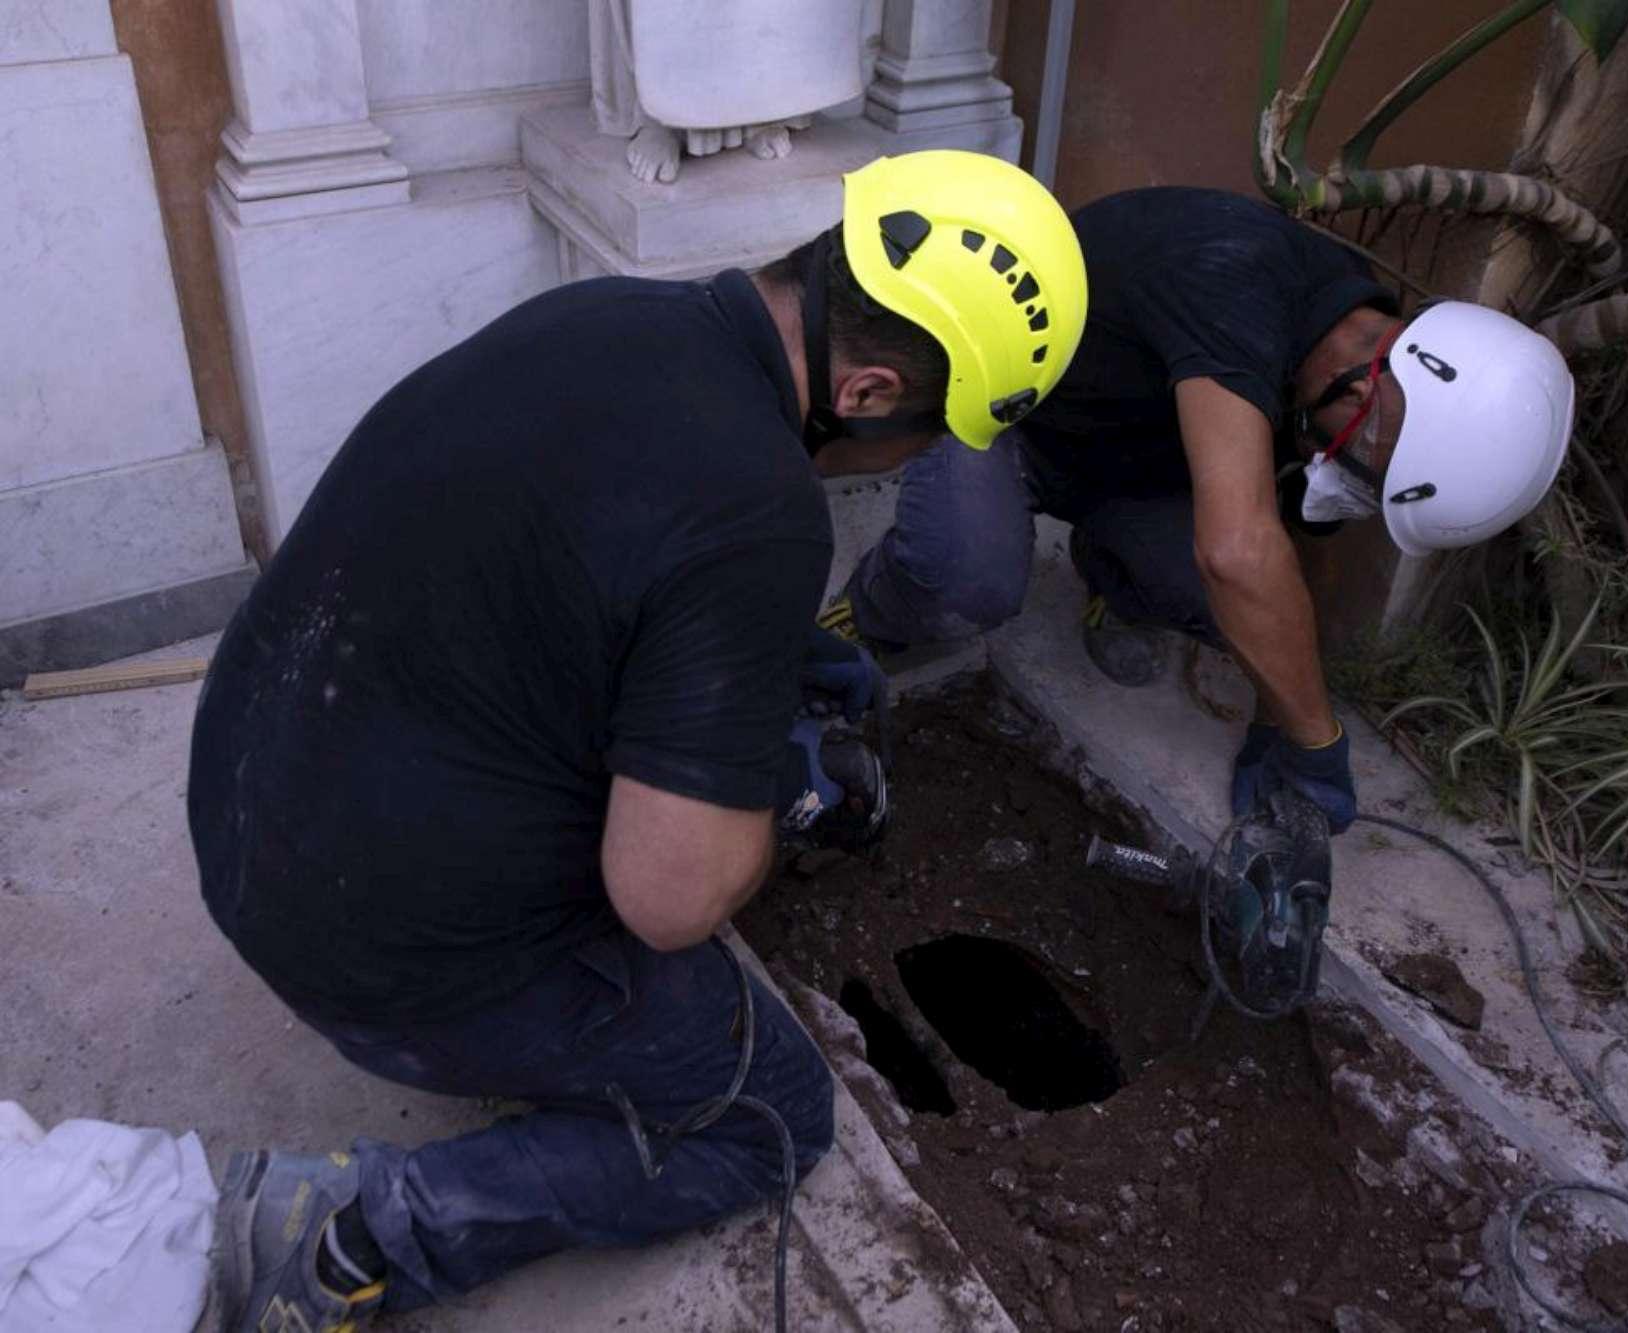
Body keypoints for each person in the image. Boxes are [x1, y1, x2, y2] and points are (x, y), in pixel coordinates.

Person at [186, 149, 1086, 1332]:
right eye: (929, 438)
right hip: (378, 957)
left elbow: (611, 575)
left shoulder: (609, 312)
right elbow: (666, 902)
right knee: (770, 1113)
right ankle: (364, 1226)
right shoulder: (757, 508)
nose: (913, 463)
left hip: (251, 800)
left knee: (795, 673)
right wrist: (773, 796)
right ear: (865, 391)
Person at [821, 186, 1575, 831]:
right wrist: (1318, 741)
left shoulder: (1355, 354)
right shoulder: (1234, 283)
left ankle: (1111, 576)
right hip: (1011, 419)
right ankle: (876, 610)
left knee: (1235, 606)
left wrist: (1278, 717)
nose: (1332, 473)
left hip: (1129, 462)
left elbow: (1278, 560)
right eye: (1346, 462)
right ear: (1365, 387)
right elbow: (1238, 551)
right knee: (968, 578)